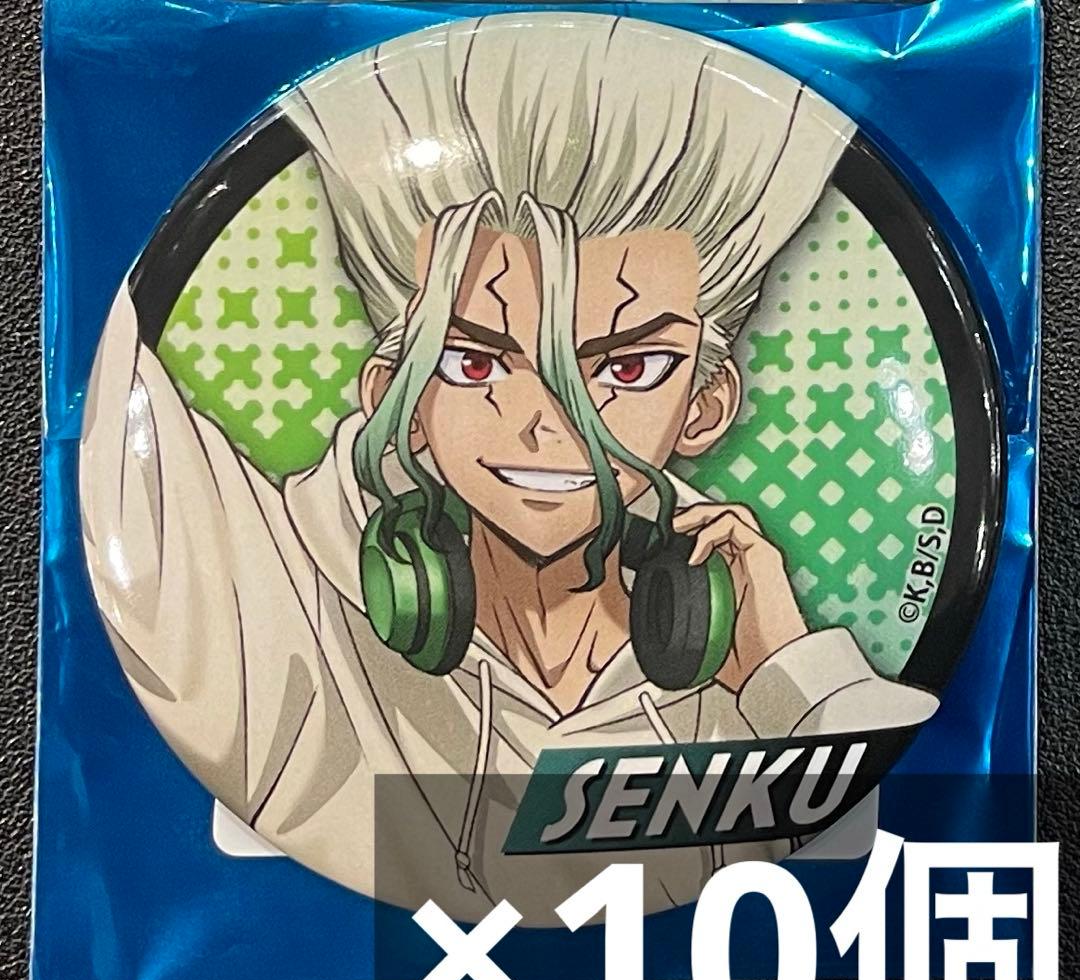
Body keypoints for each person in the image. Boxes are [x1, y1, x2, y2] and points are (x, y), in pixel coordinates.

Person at [80, 14, 937, 924]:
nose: (549, 425)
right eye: (475, 361)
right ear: (393, 394)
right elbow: (122, 387)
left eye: (628, 368)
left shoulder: (745, 672)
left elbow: (892, 841)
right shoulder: (258, 597)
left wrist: (793, 680)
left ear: (706, 402)